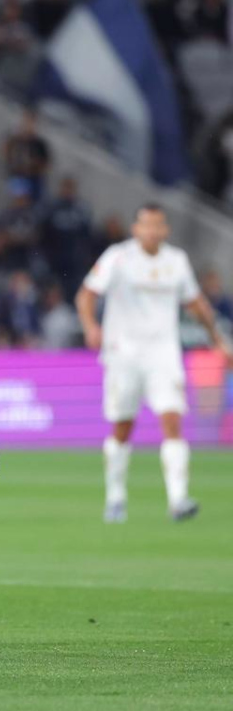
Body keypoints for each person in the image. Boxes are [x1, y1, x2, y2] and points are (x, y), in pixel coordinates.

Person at [76, 203, 233, 523]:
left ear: (166, 229)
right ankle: (115, 497)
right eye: (146, 224)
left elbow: (196, 304)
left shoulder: (176, 261)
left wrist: (218, 340)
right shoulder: (118, 257)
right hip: (123, 352)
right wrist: (91, 326)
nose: (152, 230)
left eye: (157, 224)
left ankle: (178, 499)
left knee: (172, 419)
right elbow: (87, 294)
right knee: (123, 426)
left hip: (163, 353)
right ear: (136, 229)